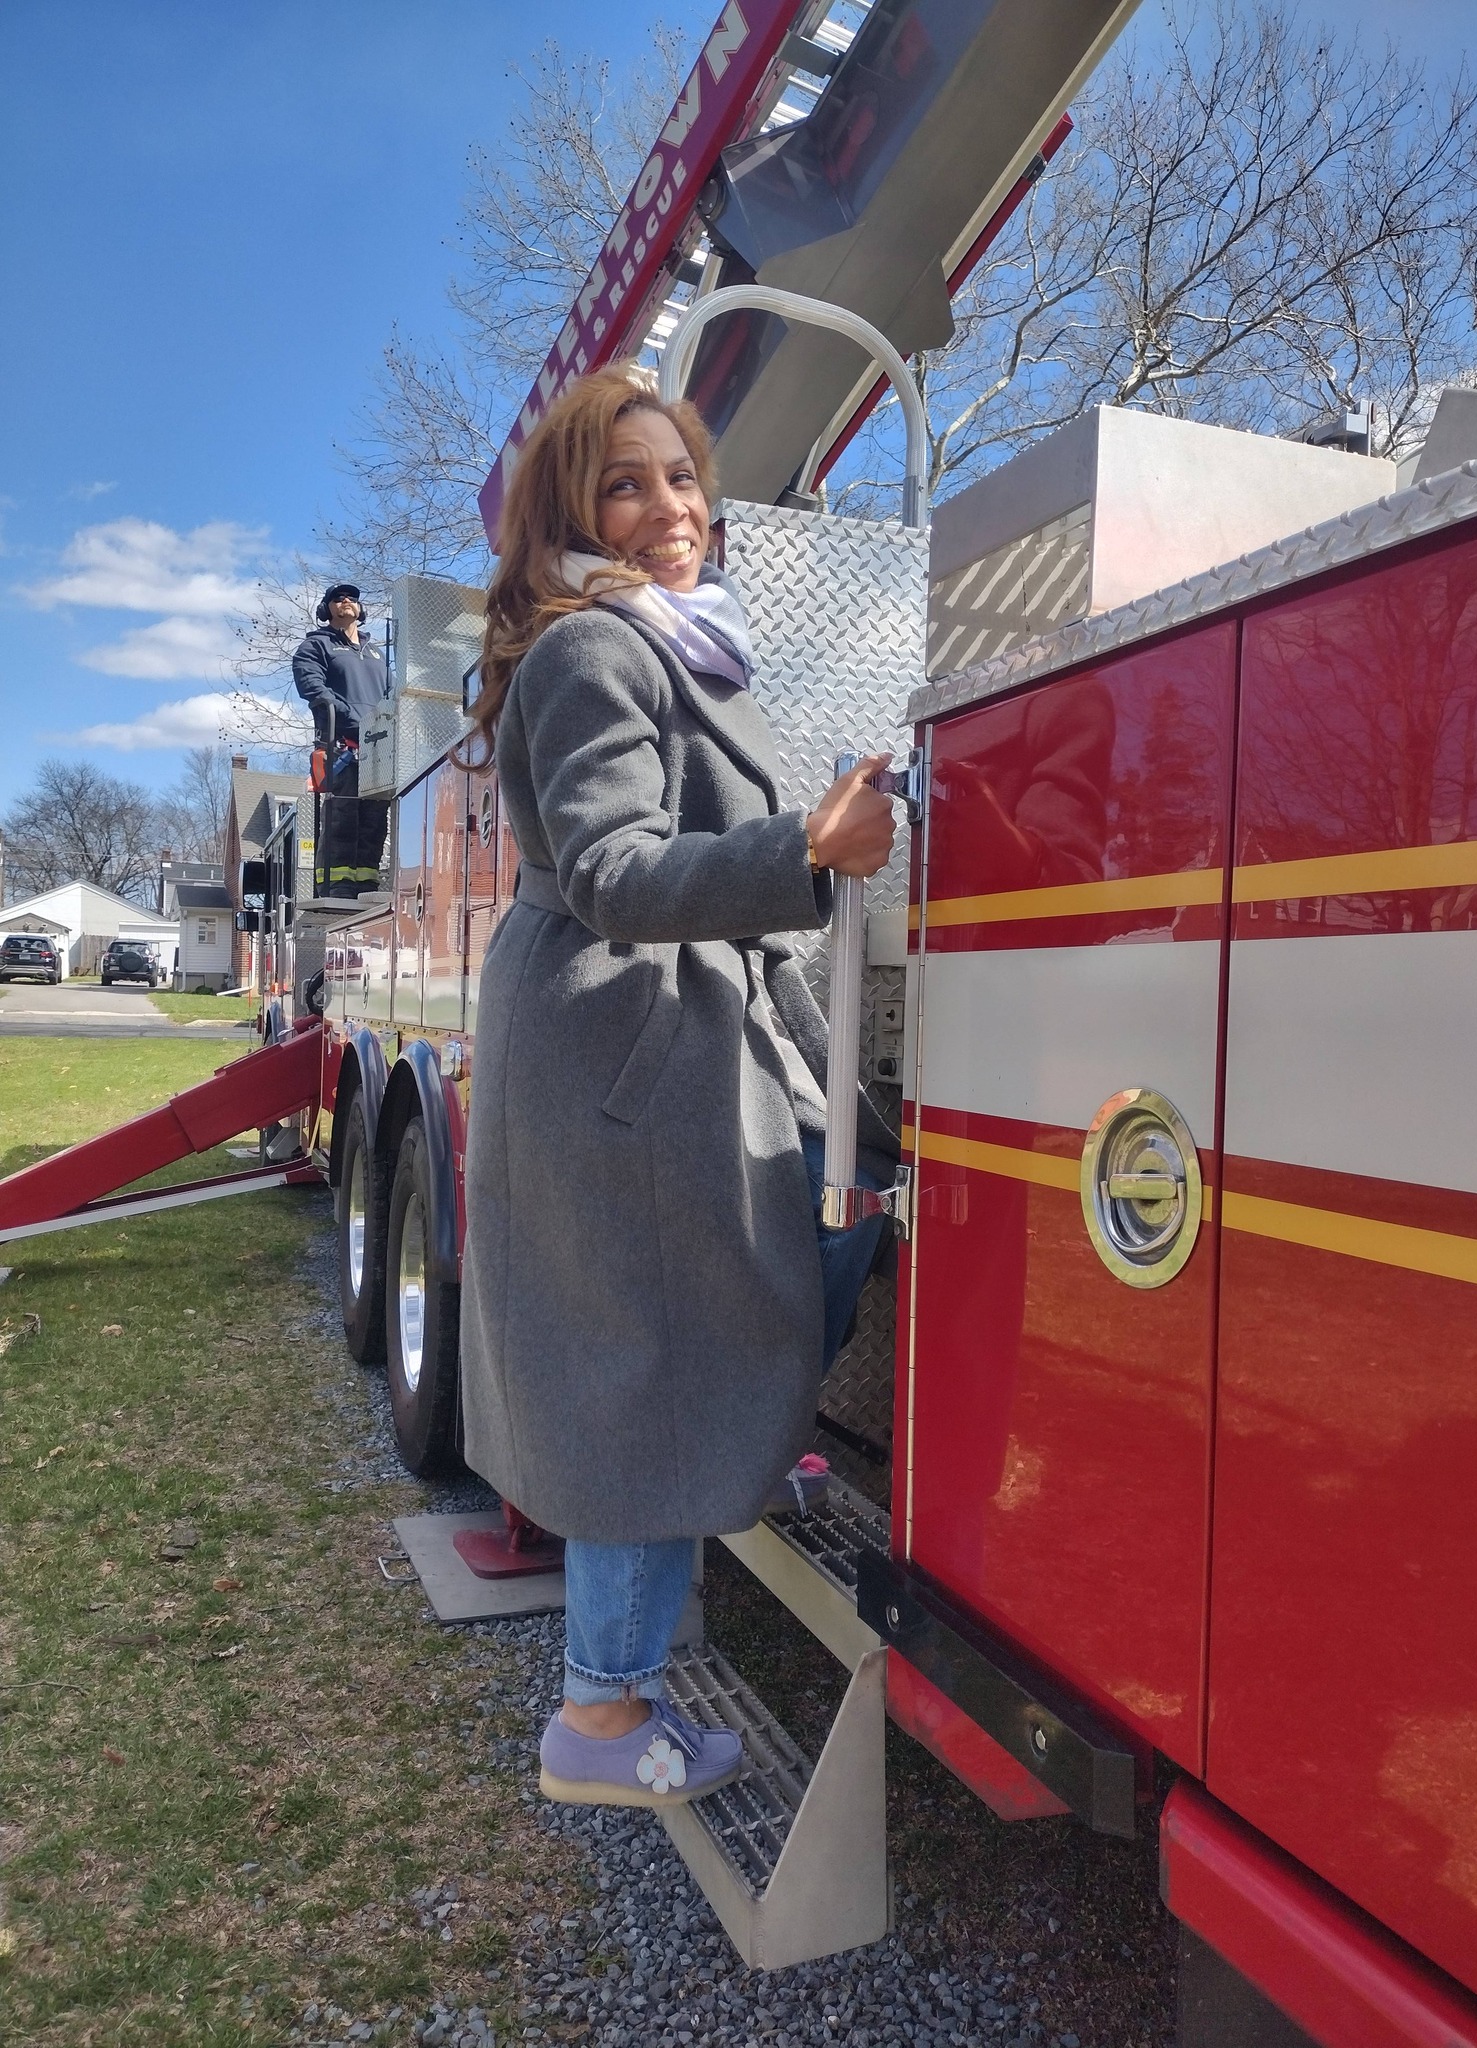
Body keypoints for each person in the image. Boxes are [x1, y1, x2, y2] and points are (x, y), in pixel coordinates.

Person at [460, 364, 898, 1809]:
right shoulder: (595, 646)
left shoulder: (682, 644)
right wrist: (805, 851)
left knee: (796, 1244)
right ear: (569, 515)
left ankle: (737, 1446)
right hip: (625, 1041)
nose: (671, 507)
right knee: (645, 1367)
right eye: (626, 484)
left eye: (684, 475)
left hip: (659, 1034)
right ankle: (600, 1714)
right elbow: (612, 867)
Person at [292, 582, 390, 898]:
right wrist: (352, 719)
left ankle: (366, 884)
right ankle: (337, 886)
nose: (346, 600)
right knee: (343, 818)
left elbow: (391, 694)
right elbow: (313, 688)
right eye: (338, 597)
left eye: (352, 597)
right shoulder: (316, 646)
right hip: (342, 747)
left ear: (361, 609)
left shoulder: (377, 653)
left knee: (375, 821)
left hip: (380, 748)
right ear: (327, 608)